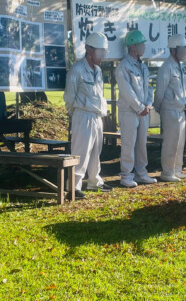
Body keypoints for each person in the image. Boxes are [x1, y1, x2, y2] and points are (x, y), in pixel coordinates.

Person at [63, 32, 111, 199]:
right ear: (90, 50)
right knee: (80, 152)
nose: (103, 55)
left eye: (104, 51)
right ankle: (73, 187)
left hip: (97, 115)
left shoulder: (98, 70)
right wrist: (75, 115)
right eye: (100, 51)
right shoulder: (77, 70)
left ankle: (94, 181)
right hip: (82, 115)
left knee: (96, 152)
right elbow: (69, 98)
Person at [116, 29, 156, 188]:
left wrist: (148, 104)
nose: (143, 47)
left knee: (141, 144)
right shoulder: (123, 67)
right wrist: (140, 107)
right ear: (132, 46)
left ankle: (141, 173)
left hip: (143, 111)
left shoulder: (143, 66)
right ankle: (126, 175)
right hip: (129, 112)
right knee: (128, 144)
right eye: (141, 44)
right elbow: (127, 91)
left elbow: (149, 88)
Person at [153, 34, 186, 182]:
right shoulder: (166, 67)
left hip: (179, 109)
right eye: (182, 49)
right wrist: (159, 107)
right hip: (169, 109)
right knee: (170, 142)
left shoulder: (180, 66)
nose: (185, 52)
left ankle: (177, 169)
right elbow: (160, 91)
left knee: (179, 142)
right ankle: (167, 172)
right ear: (173, 50)